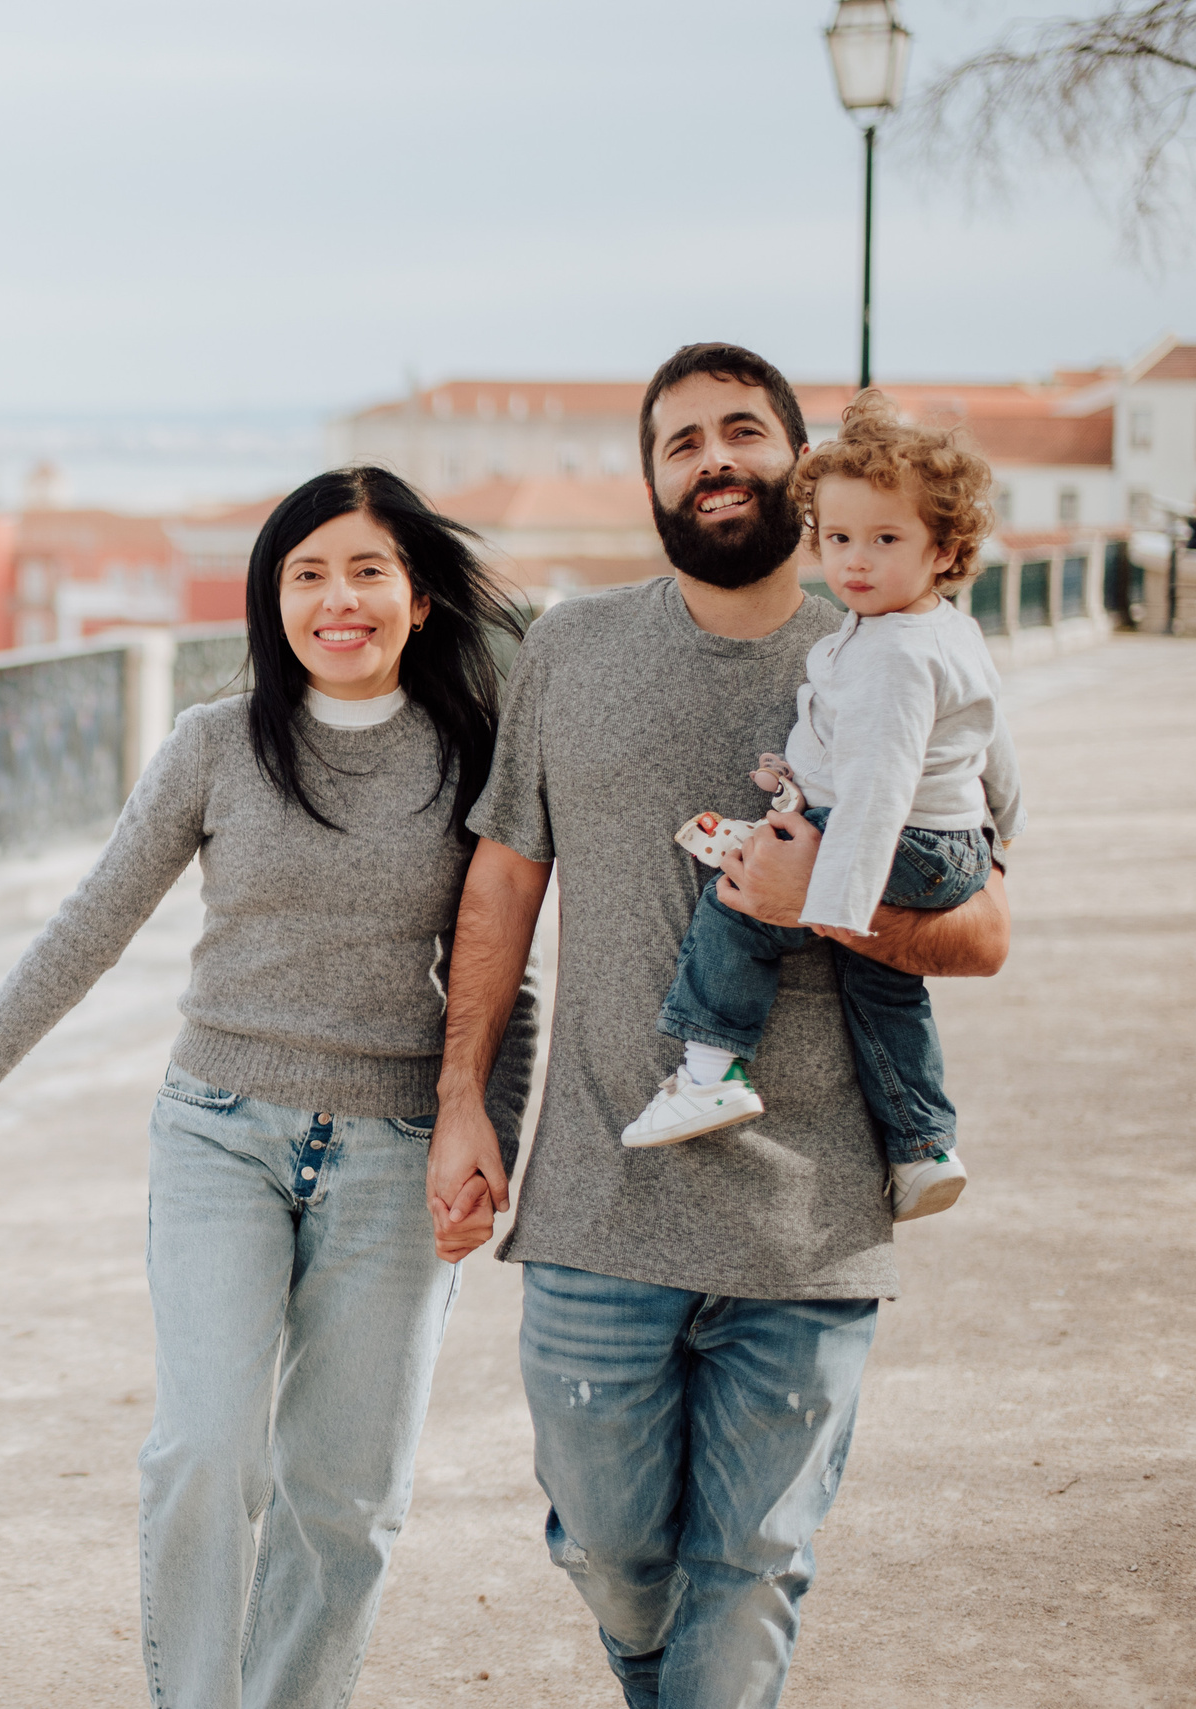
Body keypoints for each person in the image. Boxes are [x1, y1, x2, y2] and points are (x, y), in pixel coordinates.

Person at [0, 467, 538, 1709]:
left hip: (396, 1153)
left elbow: (504, 977)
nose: (337, 600)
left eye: (366, 571)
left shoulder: (476, 756)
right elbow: (84, 930)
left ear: (421, 598)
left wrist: (482, 1126)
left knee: (345, 1496)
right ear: (269, 598)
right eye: (306, 574)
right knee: (204, 1452)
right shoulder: (213, 745)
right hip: (219, 1133)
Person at [425, 343, 1011, 1709]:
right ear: (651, 482)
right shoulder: (571, 646)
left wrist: (831, 901)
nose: (712, 459)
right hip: (595, 1204)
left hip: (810, 1224)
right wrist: (467, 1102)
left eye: (740, 431)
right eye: (679, 442)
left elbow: (984, 928)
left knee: (750, 1565)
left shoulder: (908, 646)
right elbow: (504, 881)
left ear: (801, 471)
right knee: (614, 1553)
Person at [626, 391, 1024, 1229]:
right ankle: (922, 1147)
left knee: (736, 900)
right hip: (954, 838)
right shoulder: (945, 630)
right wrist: (1006, 827)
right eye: (838, 538)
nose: (855, 562)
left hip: (900, 836)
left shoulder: (890, 654)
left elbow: (878, 791)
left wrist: (821, 901)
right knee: (884, 985)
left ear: (944, 547)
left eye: (886, 540)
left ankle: (707, 1073)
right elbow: (995, 748)